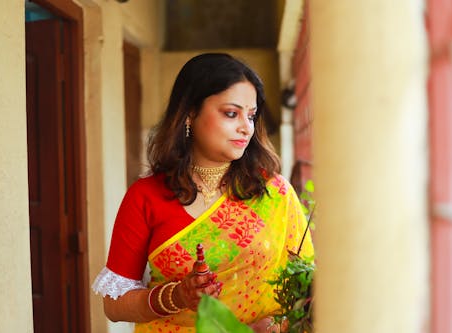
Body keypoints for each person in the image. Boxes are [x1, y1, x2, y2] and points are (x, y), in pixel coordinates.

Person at [92, 53, 314, 333]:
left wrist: (278, 325)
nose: (246, 127)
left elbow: (305, 282)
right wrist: (178, 296)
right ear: (190, 113)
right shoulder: (145, 197)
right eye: (231, 113)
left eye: (251, 115)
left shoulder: (273, 192)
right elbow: (114, 305)